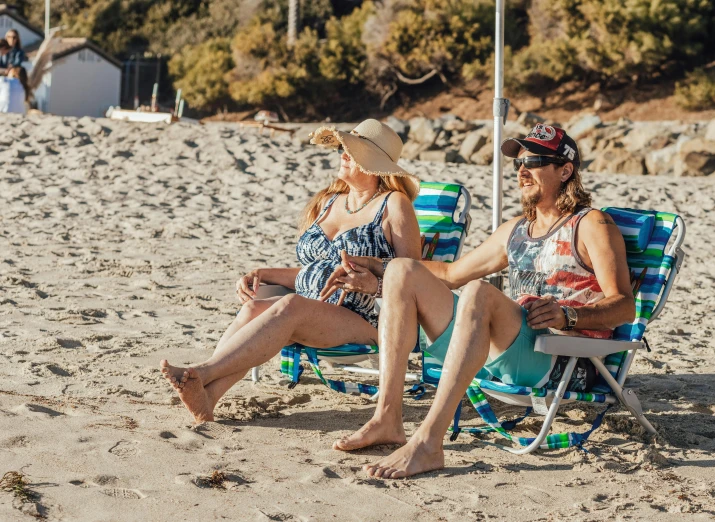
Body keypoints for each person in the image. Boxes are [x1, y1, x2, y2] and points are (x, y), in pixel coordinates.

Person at [329, 124, 636, 478]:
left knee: (479, 292)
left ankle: (429, 443)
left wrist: (568, 315)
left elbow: (623, 305)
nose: (522, 170)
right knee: (402, 270)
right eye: (518, 163)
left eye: (534, 161)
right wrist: (379, 266)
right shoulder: (517, 228)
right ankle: (387, 417)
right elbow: (451, 273)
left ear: (565, 170)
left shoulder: (591, 223)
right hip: (511, 348)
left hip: (562, 358)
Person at [160, 119, 422, 423]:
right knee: (253, 309)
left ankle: (201, 373)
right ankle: (208, 398)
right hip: (309, 309)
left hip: (366, 321)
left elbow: (414, 276)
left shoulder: (394, 205)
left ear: (374, 164)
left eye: (353, 150)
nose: (343, 154)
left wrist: (372, 282)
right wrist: (263, 273)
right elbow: (313, 272)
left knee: (290, 305)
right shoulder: (328, 202)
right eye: (343, 148)